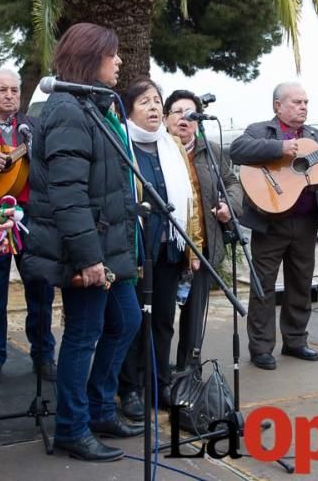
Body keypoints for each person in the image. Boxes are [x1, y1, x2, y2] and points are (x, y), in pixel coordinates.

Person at [22, 23, 142, 462]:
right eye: (113, 55)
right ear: (92, 59)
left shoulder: (91, 106)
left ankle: (97, 408)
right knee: (83, 334)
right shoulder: (69, 110)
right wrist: (89, 258)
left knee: (125, 321)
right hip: (86, 250)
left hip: (106, 245)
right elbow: (67, 194)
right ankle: (73, 427)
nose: (120, 62)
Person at [229, 82, 318, 370]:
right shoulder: (260, 130)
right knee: (263, 287)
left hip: (306, 222)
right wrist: (280, 147)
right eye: (296, 102)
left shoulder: (316, 136)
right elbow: (238, 150)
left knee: (301, 285)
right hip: (270, 222)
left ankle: (295, 341)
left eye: (306, 102)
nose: (304, 107)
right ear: (278, 106)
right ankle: (261, 347)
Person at [117, 80, 202, 417]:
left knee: (163, 320)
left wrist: (192, 249)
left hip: (168, 248)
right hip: (135, 251)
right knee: (133, 323)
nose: (153, 107)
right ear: (129, 109)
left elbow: (190, 199)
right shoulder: (120, 144)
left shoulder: (171, 145)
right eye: (144, 102)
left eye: (156, 101)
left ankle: (157, 383)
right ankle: (129, 389)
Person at [0, 69, 56, 387]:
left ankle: (44, 355)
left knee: (41, 288)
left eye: (14, 90)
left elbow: (50, 164)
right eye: (2, 89)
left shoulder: (33, 127)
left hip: (32, 215)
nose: (9, 95)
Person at [163, 90, 243, 374]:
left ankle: (189, 371)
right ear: (165, 118)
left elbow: (232, 182)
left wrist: (228, 205)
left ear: (198, 121)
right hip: (166, 247)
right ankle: (155, 374)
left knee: (195, 316)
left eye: (190, 114)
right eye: (177, 112)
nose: (184, 119)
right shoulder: (157, 149)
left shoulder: (210, 150)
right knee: (160, 317)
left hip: (203, 246)